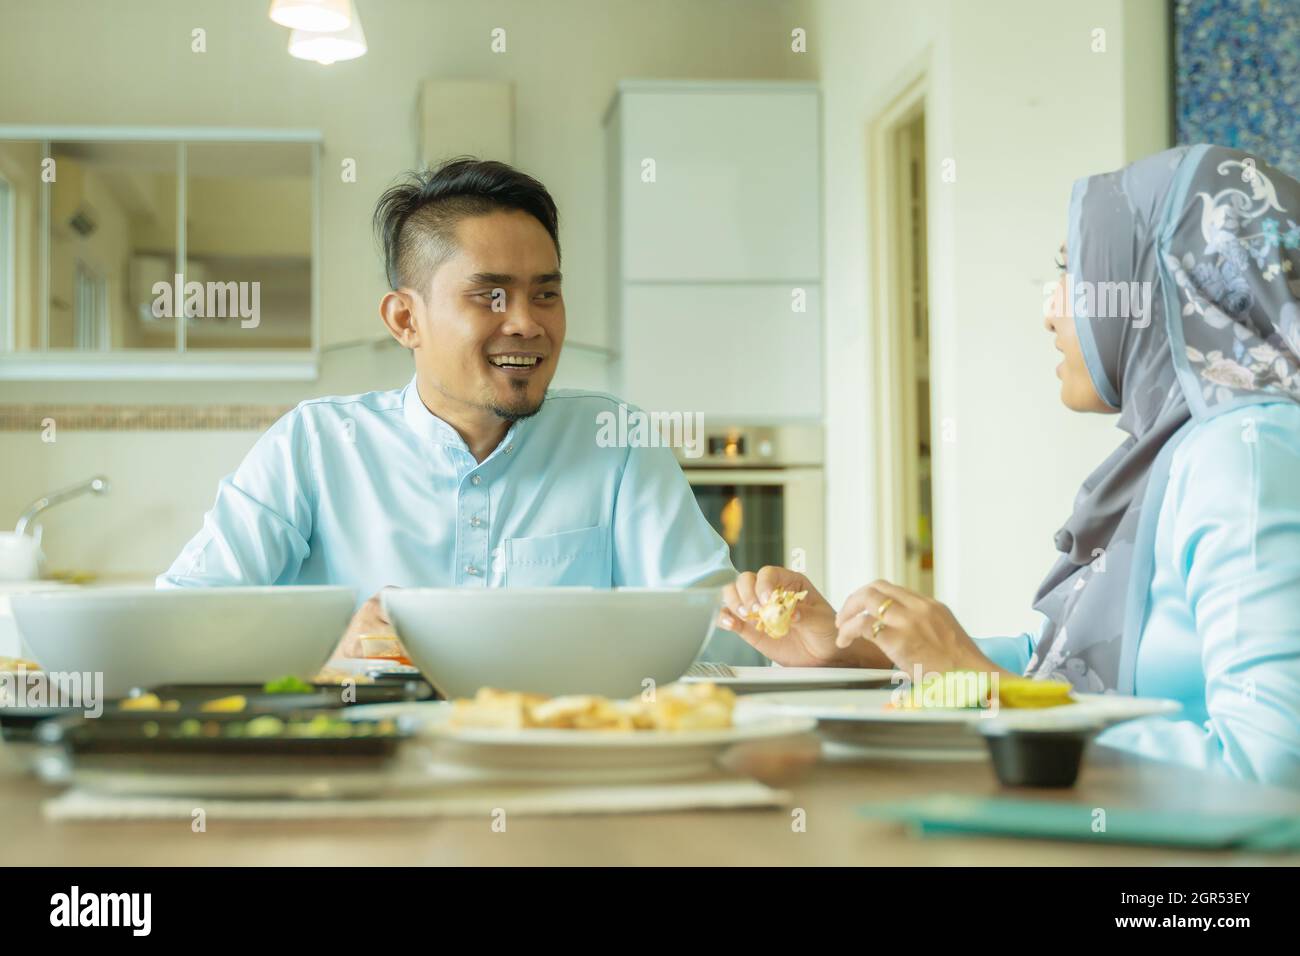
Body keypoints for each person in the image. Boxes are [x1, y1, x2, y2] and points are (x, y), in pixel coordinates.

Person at [718, 144, 1300, 787]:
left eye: (1071, 269)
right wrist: (861, 650)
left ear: (1154, 285)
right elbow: (1062, 666)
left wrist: (984, 687)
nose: (1049, 310)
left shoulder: (1246, 451)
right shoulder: (1182, 448)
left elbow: (1272, 772)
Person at [159, 157, 733, 652]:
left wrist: (793, 640)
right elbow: (180, 623)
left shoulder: (615, 438)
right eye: (491, 296)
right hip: (367, 769)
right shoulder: (313, 444)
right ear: (406, 319)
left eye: (546, 294)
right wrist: (328, 655)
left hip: (556, 765)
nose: (527, 323)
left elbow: (711, 625)